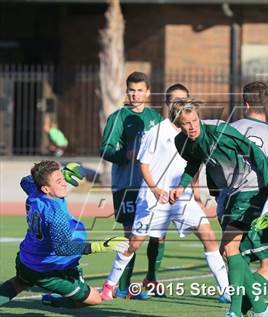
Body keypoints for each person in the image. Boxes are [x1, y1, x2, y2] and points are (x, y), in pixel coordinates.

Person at [101, 84, 230, 303]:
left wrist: (193, 191)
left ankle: (226, 292)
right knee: (134, 243)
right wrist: (155, 189)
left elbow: (193, 163)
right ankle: (110, 285)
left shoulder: (193, 131)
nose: (189, 119)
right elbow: (143, 163)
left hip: (181, 197)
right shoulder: (157, 132)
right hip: (154, 198)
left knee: (209, 237)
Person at [168, 100, 268, 317]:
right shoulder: (181, 141)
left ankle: (237, 312)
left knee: (231, 249)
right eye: (186, 124)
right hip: (230, 194)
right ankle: (259, 309)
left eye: (194, 120)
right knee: (230, 252)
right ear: (178, 125)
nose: (192, 126)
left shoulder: (218, 130)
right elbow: (194, 162)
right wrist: (181, 186)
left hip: (251, 189)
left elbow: (256, 153)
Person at [0, 160, 128, 308]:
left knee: (19, 283)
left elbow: (25, 181)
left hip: (26, 259)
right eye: (59, 181)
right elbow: (64, 248)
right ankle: (53, 300)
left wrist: (62, 175)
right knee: (95, 299)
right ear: (46, 189)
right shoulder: (56, 214)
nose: (65, 183)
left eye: (63, 178)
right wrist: (100, 246)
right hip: (48, 271)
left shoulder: (35, 192)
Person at [100, 72, 163, 299]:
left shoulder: (157, 118)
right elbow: (105, 150)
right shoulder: (117, 117)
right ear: (127, 91)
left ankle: (152, 280)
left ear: (148, 92)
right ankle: (122, 286)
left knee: (159, 234)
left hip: (151, 186)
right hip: (126, 185)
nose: (135, 94)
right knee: (131, 236)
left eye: (139, 90)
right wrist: (125, 154)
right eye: (131, 90)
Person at [230, 81, 268, 316]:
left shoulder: (229, 130)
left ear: (245, 103)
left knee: (238, 258)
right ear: (267, 105)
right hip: (258, 205)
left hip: (229, 204)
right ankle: (249, 308)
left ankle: (237, 310)